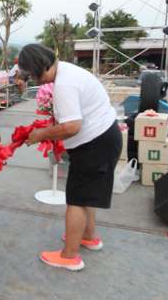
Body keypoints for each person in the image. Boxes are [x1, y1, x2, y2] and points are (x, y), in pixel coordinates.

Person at [18, 44, 122, 272]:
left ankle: (69, 256)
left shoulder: (65, 84)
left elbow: (72, 126)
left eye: (32, 75)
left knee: (76, 199)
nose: (34, 80)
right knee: (87, 196)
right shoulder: (67, 71)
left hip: (95, 144)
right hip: (105, 139)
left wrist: (40, 134)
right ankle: (88, 237)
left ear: (39, 68)